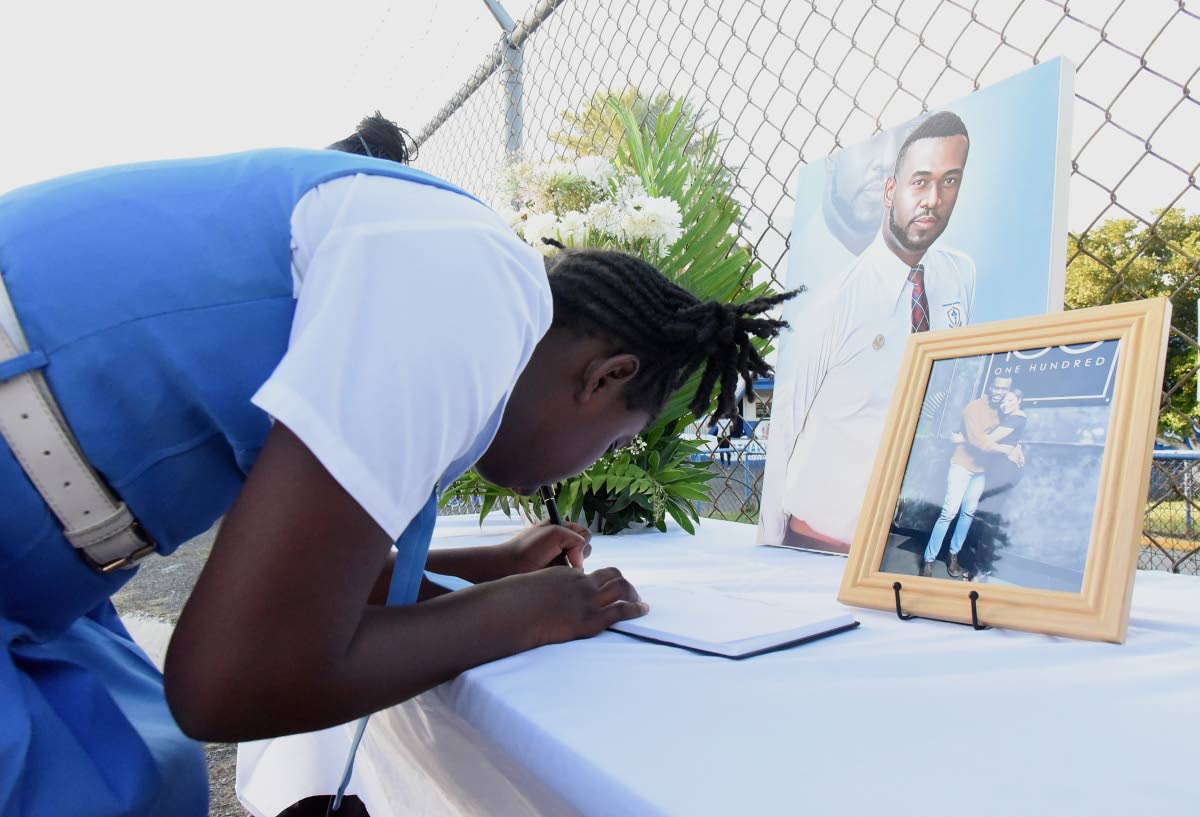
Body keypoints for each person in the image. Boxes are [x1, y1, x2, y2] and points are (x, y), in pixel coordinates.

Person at [0, 121, 796, 814]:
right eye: (618, 442)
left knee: (133, 767)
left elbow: (303, 588)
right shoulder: (472, 292)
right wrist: (527, 612)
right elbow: (228, 680)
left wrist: (485, 567)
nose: (599, 464)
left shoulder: (451, 273)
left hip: (31, 574)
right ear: (605, 378)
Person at [759, 110, 976, 552]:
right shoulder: (831, 301)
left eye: (949, 181)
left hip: (912, 532)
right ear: (890, 191)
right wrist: (773, 541)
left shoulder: (960, 275)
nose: (933, 198)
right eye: (920, 181)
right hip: (828, 535)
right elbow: (786, 425)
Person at [922, 380, 1027, 578]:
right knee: (949, 512)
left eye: (1004, 389)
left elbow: (1009, 431)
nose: (1000, 392)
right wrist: (1007, 450)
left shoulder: (1003, 410)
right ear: (990, 387)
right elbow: (980, 441)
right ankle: (928, 560)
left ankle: (952, 556)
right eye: (997, 387)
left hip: (981, 471)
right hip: (961, 466)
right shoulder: (974, 408)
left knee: (968, 513)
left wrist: (1017, 445)